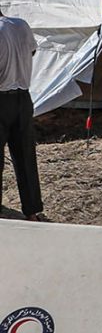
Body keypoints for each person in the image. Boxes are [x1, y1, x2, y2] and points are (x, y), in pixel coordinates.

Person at [0, 11, 40, 222]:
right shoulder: (21, 25)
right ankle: (32, 209)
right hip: (23, 98)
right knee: (25, 155)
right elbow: (32, 51)